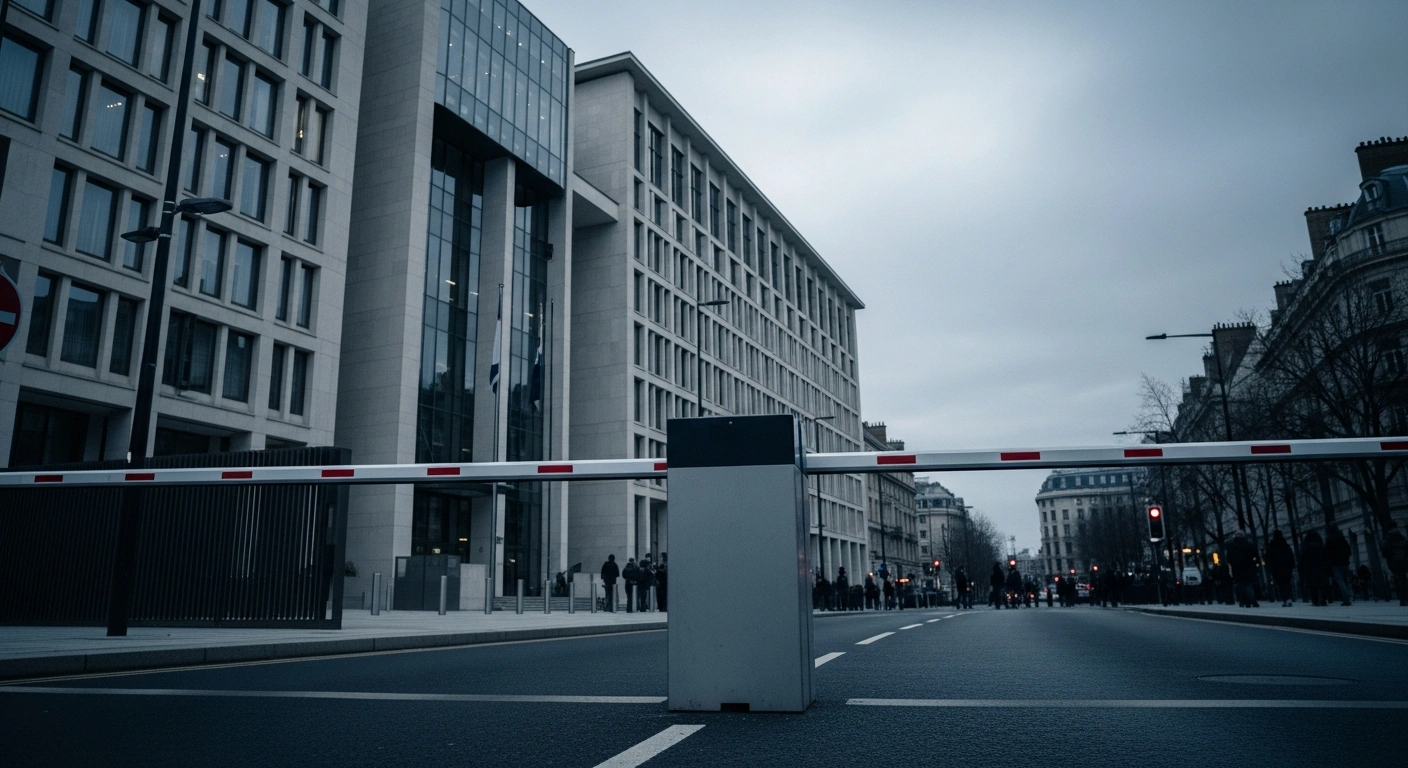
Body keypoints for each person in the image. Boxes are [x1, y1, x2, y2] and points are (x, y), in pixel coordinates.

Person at [1227, 530, 1260, 608]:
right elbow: (1255, 555)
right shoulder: (1248, 544)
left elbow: (1229, 558)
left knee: (1241, 585)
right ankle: (1252, 600)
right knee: (1248, 584)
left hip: (1237, 568)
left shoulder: (1231, 546)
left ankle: (1243, 601)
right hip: (1248, 567)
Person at [1265, 530, 1296, 607]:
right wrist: (1292, 565)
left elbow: (1267, 558)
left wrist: (1270, 566)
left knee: (1280, 584)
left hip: (1276, 569)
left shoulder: (1271, 546)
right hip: (1286, 568)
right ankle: (1288, 598)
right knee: (1287, 583)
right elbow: (1290, 556)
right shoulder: (1285, 545)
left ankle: (1284, 599)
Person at [1380, 525, 1408, 606]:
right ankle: (1405, 598)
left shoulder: (1387, 539)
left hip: (1394, 563)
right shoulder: (1401, 537)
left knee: (1399, 580)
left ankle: (1402, 599)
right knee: (1404, 579)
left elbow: (1384, 552)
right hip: (1404, 561)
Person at [1325, 525, 1353, 606]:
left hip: (1335, 564)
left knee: (1340, 581)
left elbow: (1327, 553)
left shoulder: (1329, 540)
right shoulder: (1342, 539)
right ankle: (1346, 599)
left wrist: (1329, 563)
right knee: (1344, 580)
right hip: (1344, 563)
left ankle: (1347, 595)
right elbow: (1349, 550)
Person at [1299, 530, 1328, 606]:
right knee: (1322, 583)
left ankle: (1315, 600)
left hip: (1310, 567)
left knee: (1313, 585)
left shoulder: (1306, 546)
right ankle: (1323, 599)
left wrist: (1302, 567)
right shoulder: (1321, 546)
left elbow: (1302, 558)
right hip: (1321, 566)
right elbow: (1326, 556)